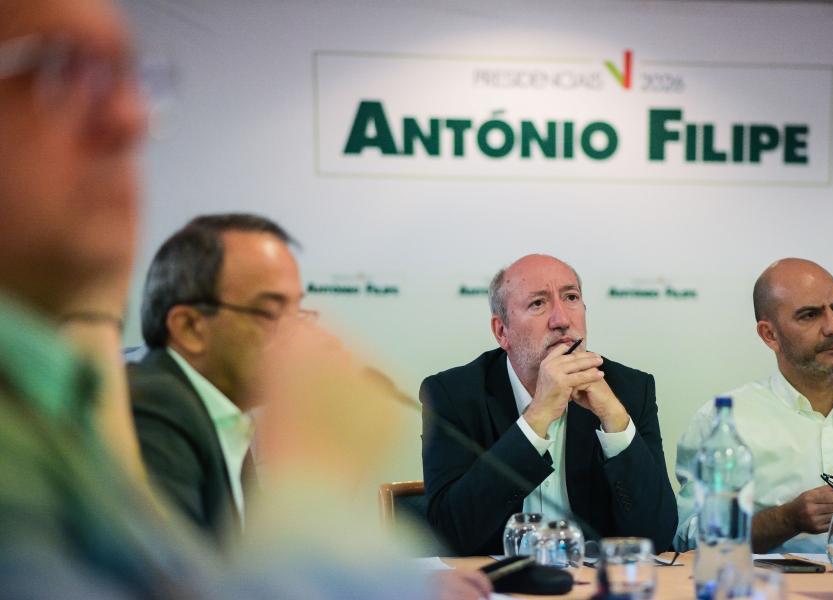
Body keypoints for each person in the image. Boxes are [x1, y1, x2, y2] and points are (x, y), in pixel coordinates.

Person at [0, 0, 491, 597]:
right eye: (62, 69)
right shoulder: (158, 408)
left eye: (131, 79)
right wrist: (310, 483)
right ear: (190, 328)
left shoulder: (191, 414)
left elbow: (191, 581)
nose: (131, 116)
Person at [674, 258, 833, 554]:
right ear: (770, 334)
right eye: (810, 315)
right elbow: (689, 538)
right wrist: (786, 520)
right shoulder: (722, 420)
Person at [421, 254, 678, 555]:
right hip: (497, 579)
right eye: (538, 304)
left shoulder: (629, 390)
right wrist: (537, 417)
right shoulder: (452, 395)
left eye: (571, 298)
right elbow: (448, 535)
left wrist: (614, 419)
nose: (562, 320)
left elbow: (657, 536)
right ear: (502, 331)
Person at [130, 213, 305, 541]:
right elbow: (175, 568)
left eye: (298, 313)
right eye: (271, 313)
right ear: (190, 327)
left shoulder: (224, 416)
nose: (296, 335)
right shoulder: (155, 407)